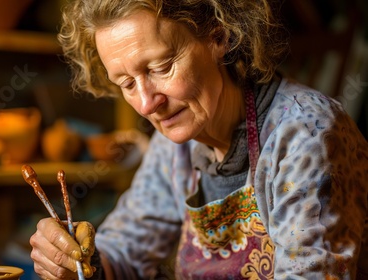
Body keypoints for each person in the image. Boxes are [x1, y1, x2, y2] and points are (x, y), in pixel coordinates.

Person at [29, 0, 368, 279]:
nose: (147, 105)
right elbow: (125, 253)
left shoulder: (304, 134)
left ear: (217, 38)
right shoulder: (174, 147)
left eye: (161, 67)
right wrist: (79, 264)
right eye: (127, 84)